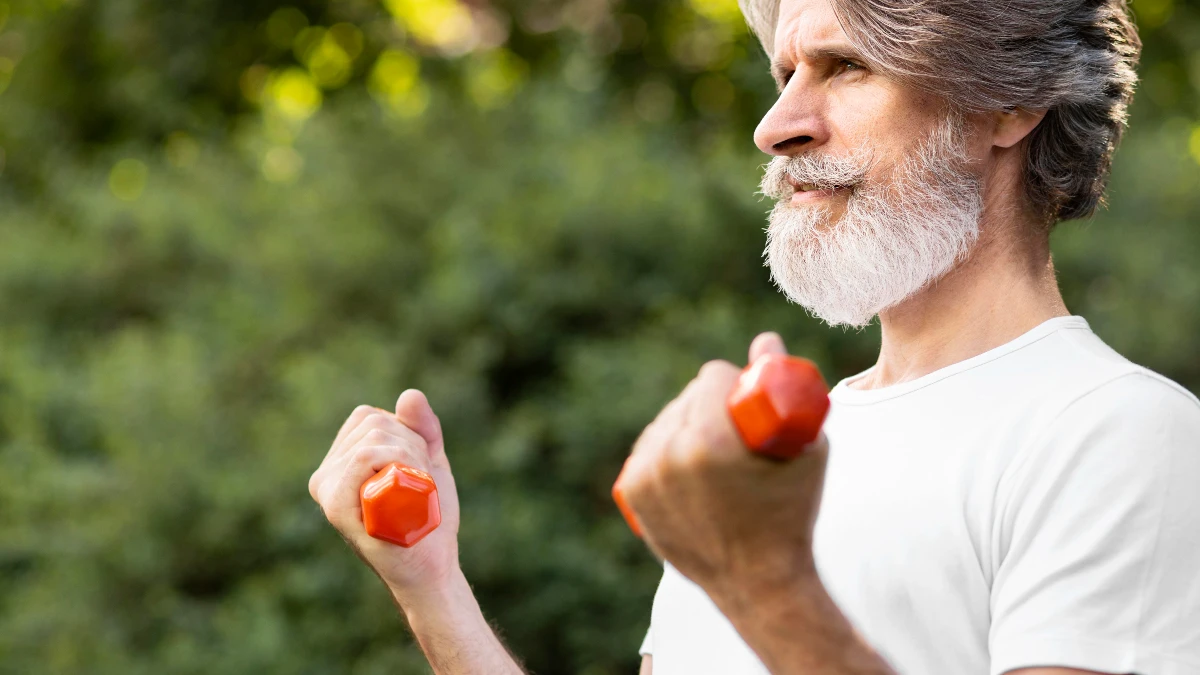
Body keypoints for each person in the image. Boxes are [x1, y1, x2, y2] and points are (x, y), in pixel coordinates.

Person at [307, 0, 1200, 672]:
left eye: (847, 66)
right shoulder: (770, 461)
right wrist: (432, 588)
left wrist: (762, 580)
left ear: (1009, 105)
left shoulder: (1120, 433)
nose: (777, 127)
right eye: (785, 76)